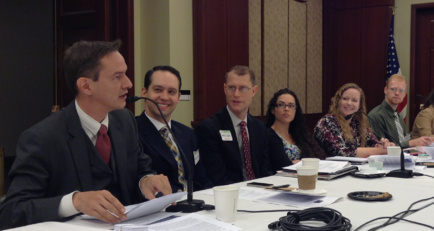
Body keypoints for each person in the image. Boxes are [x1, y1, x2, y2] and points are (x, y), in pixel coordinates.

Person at [0, 40, 172, 229]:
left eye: (126, 74)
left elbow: (141, 170)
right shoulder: (42, 138)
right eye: (117, 76)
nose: (128, 83)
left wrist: (146, 181)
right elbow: (11, 211)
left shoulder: (125, 121)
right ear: (86, 86)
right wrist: (74, 201)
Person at [136, 65, 213, 193]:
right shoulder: (132, 132)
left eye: (171, 92)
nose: (165, 97)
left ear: (178, 97)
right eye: (158, 90)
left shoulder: (188, 134)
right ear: (144, 92)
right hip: (159, 208)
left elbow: (201, 178)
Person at [195, 65, 273, 186]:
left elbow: (265, 171)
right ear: (225, 89)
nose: (236, 94)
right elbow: (217, 177)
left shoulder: (260, 128)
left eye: (243, 88)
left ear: (254, 91)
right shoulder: (209, 128)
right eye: (232, 88)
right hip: (229, 195)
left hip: (259, 193)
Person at [314, 83, 393, 157]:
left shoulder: (357, 123)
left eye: (354, 100)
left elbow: (373, 144)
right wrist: (381, 151)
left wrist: (384, 145)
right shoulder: (327, 122)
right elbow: (344, 153)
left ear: (359, 105)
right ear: (338, 101)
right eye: (345, 99)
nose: (349, 103)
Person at [265, 88, 325, 172]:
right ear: (273, 110)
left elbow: (317, 158)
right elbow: (282, 165)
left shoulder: (298, 133)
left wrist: (297, 163)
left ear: (296, 111)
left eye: (291, 106)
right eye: (281, 105)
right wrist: (301, 163)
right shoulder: (268, 135)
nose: (286, 109)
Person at [368, 74, 431, 147]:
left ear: (405, 94)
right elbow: (382, 148)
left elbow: (402, 141)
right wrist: (411, 143)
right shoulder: (375, 116)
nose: (397, 93)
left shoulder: (398, 116)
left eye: (401, 90)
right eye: (393, 89)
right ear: (386, 90)